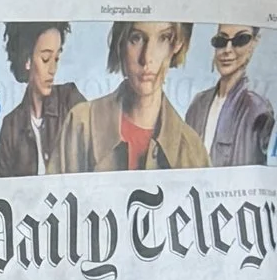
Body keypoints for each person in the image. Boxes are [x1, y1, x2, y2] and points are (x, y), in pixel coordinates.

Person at [57, 20, 207, 173]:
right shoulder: (80, 124)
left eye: (164, 38)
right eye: (136, 38)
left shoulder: (192, 149)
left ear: (177, 44)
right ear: (121, 42)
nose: (147, 58)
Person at [0, 20, 82, 176]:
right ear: (27, 61)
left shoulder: (70, 100)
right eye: (45, 59)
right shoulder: (11, 127)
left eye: (56, 59)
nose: (53, 69)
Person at [185, 20, 274, 166]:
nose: (227, 49)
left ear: (253, 44)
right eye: (221, 41)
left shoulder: (256, 109)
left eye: (240, 40)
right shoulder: (198, 104)